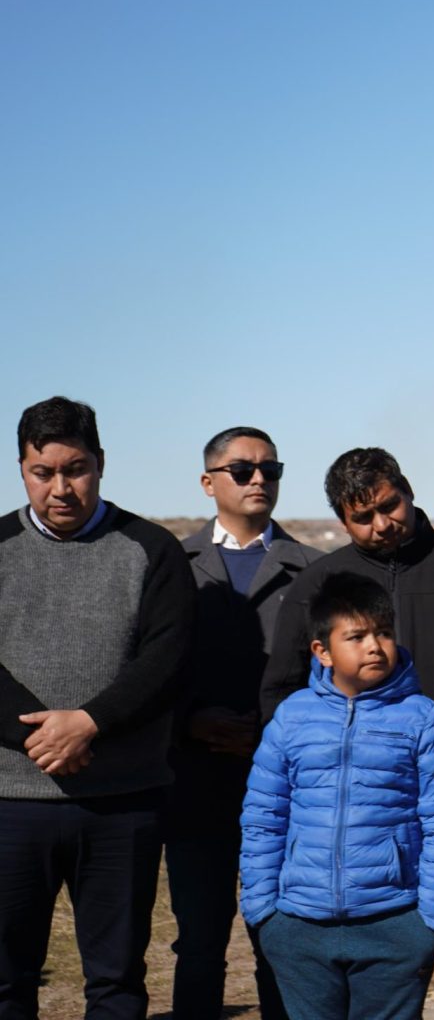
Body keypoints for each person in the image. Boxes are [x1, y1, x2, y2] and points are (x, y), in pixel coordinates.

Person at [260, 448, 434, 1017]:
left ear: (406, 489)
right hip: (363, 828)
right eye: (363, 517)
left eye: (390, 505)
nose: (382, 524)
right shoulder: (320, 583)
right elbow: (281, 693)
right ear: (341, 519)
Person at [0, 396, 195, 1019]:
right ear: (22, 468)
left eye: (75, 469)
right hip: (10, 805)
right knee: (6, 982)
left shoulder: (152, 549)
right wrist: (43, 738)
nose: (60, 487)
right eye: (42, 472)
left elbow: (167, 660)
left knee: (115, 983)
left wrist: (90, 723)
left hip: (122, 805)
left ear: (102, 464)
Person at [241, 572, 434, 1020]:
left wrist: (430, 921)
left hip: (395, 921)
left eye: (383, 632)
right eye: (357, 636)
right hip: (298, 923)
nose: (374, 646)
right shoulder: (292, 718)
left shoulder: (421, 719)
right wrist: (263, 912)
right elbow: (264, 817)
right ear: (322, 652)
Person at [168, 426, 321, 1020]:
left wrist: (273, 730)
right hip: (195, 782)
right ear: (209, 483)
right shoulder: (173, 565)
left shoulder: (311, 569)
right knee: (199, 943)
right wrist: (193, 721)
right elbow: (150, 665)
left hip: (286, 787)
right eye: (242, 469)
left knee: (281, 943)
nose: (259, 479)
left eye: (271, 469)